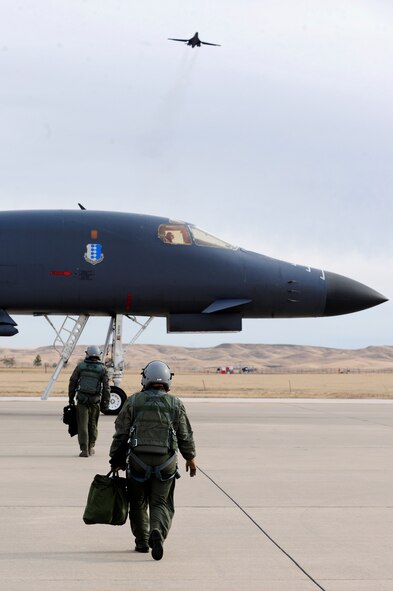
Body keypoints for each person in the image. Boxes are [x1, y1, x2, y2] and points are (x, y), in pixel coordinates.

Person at [109, 360, 197, 560]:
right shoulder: (175, 403)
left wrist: (116, 460)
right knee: (160, 502)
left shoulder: (133, 401)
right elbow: (185, 435)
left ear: (145, 378)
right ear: (167, 380)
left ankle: (142, 542)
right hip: (165, 462)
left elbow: (120, 434)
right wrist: (190, 457)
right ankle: (157, 531)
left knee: (138, 502)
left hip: (137, 460)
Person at [68, 345, 110, 457]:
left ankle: (84, 449)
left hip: (82, 400)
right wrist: (105, 403)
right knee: (93, 424)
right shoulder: (103, 369)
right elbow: (106, 388)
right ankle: (91, 447)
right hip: (95, 401)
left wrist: (71, 398)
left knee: (82, 425)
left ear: (88, 354)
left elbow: (72, 382)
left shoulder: (81, 366)